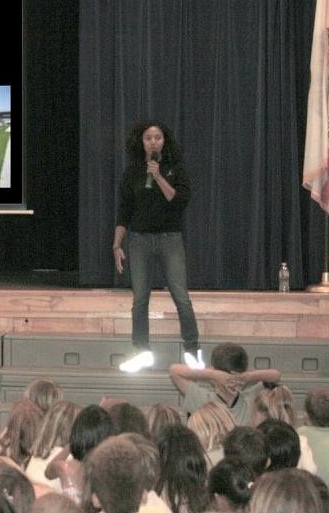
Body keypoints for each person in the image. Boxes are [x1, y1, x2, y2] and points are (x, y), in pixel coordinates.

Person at [112, 121, 200, 373]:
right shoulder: (132, 173)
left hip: (169, 238)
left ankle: (192, 350)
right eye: (148, 138)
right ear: (141, 142)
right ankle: (141, 351)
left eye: (157, 137)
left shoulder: (176, 169)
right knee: (140, 299)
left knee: (180, 296)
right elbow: (124, 212)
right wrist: (117, 244)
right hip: (139, 240)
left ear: (164, 141)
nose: (153, 142)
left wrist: (158, 175)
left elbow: (179, 200)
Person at [169, 342, 280, 426]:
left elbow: (275, 375)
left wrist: (248, 377)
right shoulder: (202, 399)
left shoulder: (249, 398)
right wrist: (214, 374)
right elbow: (174, 370)